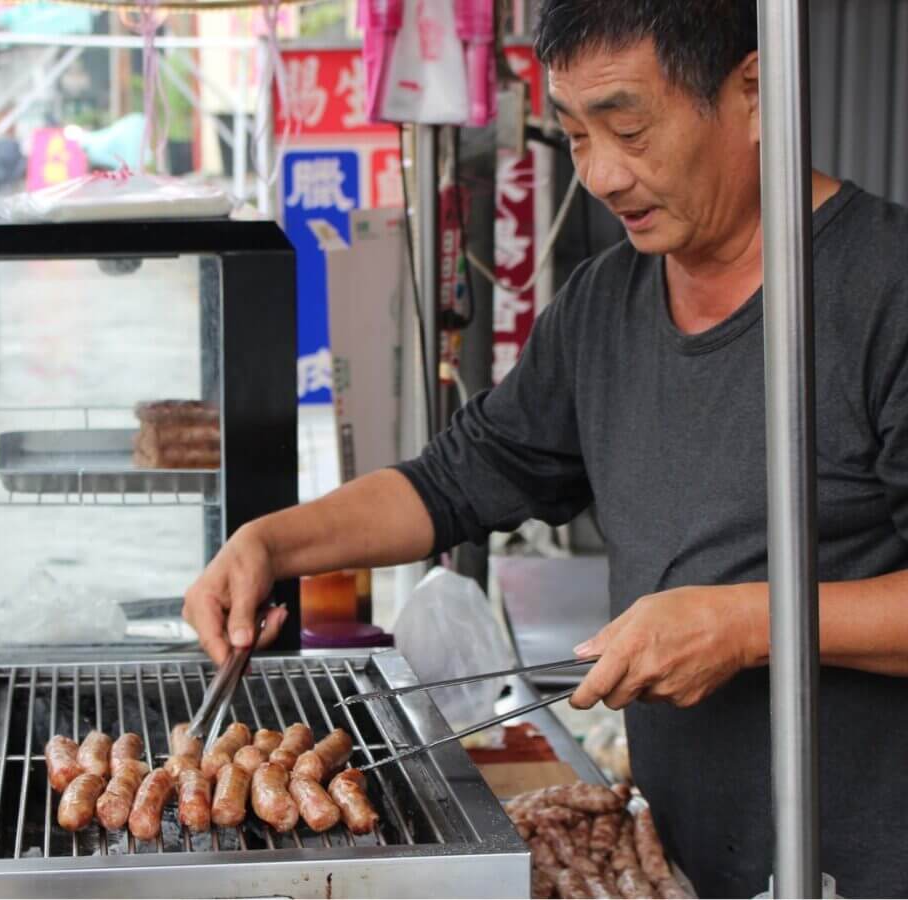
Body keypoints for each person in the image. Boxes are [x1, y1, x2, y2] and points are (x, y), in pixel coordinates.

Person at [181, 1, 908, 895]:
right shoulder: (606, 306)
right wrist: (269, 543)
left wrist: (743, 623)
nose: (601, 175)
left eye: (629, 128)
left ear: (754, 91)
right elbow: (457, 480)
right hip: (689, 862)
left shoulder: (886, 291)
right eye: (574, 137)